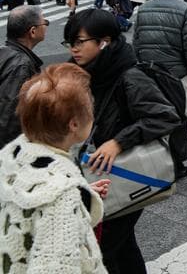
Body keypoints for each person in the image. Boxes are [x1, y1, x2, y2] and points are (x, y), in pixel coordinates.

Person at [63, 9, 180, 273]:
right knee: (123, 247)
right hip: (102, 174)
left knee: (104, 251)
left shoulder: (129, 75)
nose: (73, 49)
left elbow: (165, 117)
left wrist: (118, 142)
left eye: (79, 42)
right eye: (70, 42)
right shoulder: (91, 71)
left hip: (125, 174)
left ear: (104, 41)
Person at [0, 64, 109, 273]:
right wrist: (68, 194)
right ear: (74, 125)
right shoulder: (60, 195)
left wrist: (83, 194)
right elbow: (55, 267)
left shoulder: (12, 156)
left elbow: (29, 200)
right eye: (91, 108)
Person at [132, 0, 187, 180]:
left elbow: (137, 42)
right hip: (177, 73)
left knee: (154, 116)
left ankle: (155, 160)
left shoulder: (143, 9)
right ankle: (176, 163)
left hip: (150, 72)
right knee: (179, 117)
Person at [0, 6, 47, 147]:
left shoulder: (5, 52)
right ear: (33, 31)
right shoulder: (22, 66)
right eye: (45, 23)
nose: (46, 26)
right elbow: (8, 118)